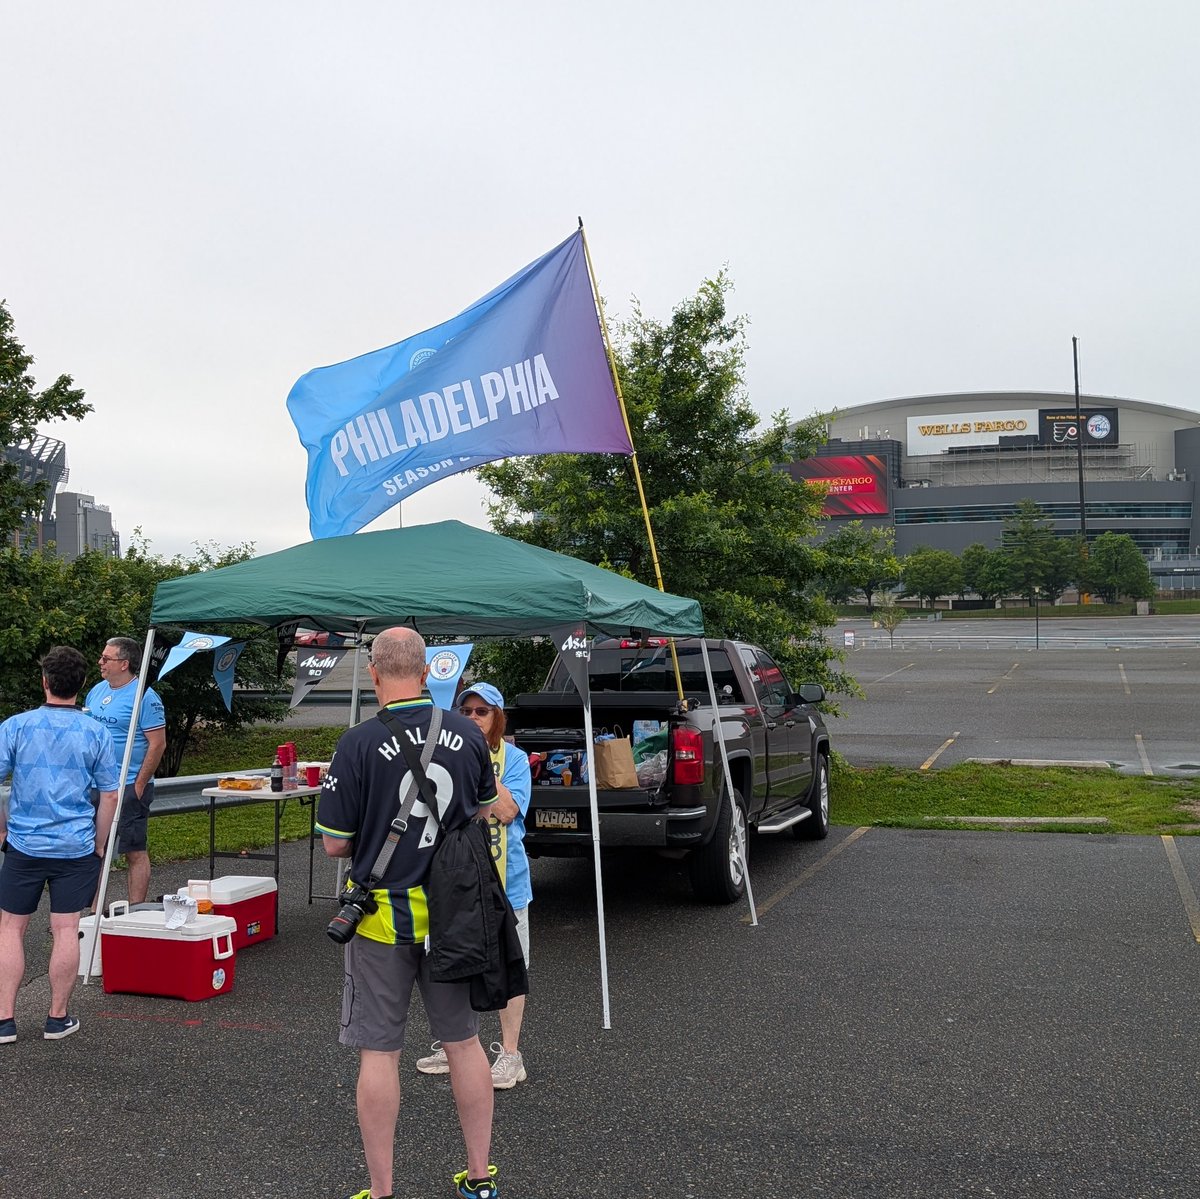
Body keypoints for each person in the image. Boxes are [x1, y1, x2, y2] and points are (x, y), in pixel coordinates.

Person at [316, 626, 502, 1199]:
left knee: (380, 1051)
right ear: (428, 673)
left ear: (373, 675)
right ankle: (478, 1177)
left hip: (380, 919)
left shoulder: (356, 743)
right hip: (455, 918)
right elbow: (490, 809)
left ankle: (382, 1190)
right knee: (465, 1044)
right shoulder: (470, 736)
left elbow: (335, 845)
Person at [0, 647, 119, 1044]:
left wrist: (2, 831)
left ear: (45, 682)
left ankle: (4, 1020)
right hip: (75, 846)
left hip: (24, 845)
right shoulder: (97, 732)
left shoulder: (15, 726)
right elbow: (110, 796)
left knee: (11, 929)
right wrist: (99, 845)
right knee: (66, 928)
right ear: (82, 685)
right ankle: (57, 1017)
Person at [417, 682, 532, 1089]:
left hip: (506, 881)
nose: (472, 719)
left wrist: (479, 759)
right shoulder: (448, 755)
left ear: (498, 719)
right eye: (465, 712)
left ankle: (511, 1054)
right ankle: (460, 1045)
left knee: (509, 969)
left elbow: (506, 810)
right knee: (456, 962)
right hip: (458, 881)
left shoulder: (514, 759)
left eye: (482, 713)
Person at [84, 636, 166, 906]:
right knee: (95, 850)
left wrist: (139, 784)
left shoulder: (145, 696)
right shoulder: (97, 691)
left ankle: (136, 911)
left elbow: (157, 744)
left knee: (134, 850)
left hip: (129, 785)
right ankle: (91, 914)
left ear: (125, 664)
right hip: (97, 786)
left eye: (106, 658)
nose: (100, 662)